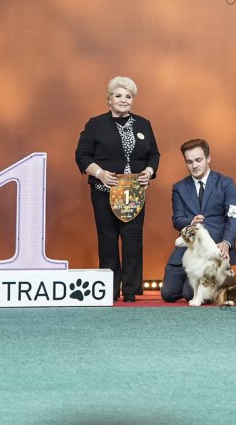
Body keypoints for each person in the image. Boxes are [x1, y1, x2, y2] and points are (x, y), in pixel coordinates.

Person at [75, 76, 160, 302]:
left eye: (128, 96)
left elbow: (154, 154)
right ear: (109, 100)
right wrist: (100, 174)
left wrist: (149, 171)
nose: (124, 100)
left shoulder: (144, 124)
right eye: (118, 95)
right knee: (107, 238)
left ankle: (131, 290)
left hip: (134, 192)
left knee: (133, 239)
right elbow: (82, 155)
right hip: (104, 190)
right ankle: (109, 290)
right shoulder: (95, 124)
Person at [161, 138, 236, 303]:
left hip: (214, 251)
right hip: (187, 251)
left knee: (189, 294)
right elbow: (177, 219)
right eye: (189, 162)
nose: (194, 166)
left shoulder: (226, 183)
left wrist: (227, 242)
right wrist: (190, 223)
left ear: (208, 158)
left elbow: (234, 217)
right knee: (168, 294)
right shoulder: (179, 187)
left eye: (198, 160)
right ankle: (208, 286)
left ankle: (216, 285)